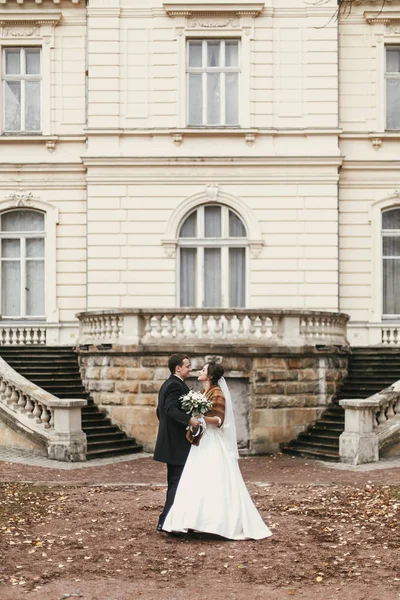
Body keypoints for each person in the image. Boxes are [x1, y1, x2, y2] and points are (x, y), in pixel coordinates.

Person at [162, 361, 272, 540]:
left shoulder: (217, 393)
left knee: (212, 480)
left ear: (210, 376)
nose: (199, 371)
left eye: (203, 370)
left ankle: (216, 523)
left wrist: (201, 417)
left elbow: (219, 420)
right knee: (194, 481)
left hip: (212, 441)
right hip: (201, 441)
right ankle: (193, 522)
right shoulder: (203, 393)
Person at [153, 353, 200, 532]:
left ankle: (170, 520)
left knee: (177, 482)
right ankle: (166, 521)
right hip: (176, 444)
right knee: (176, 482)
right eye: (187, 366)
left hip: (172, 441)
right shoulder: (174, 385)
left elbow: (160, 411)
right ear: (178, 368)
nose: (190, 369)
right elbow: (169, 409)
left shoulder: (172, 383)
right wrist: (190, 420)